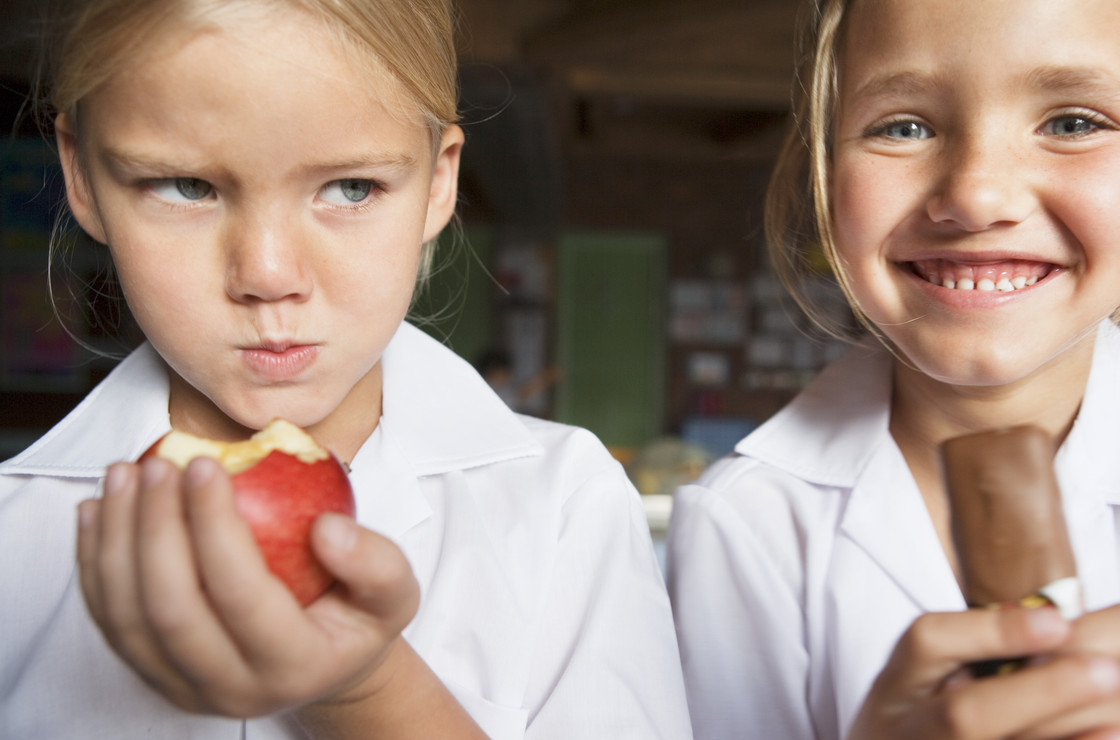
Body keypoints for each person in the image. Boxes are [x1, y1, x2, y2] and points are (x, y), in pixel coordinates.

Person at [0, 1, 692, 739]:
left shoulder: (564, 507)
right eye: (186, 186)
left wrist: (365, 689)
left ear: (436, 183)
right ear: (79, 174)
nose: (269, 274)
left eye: (351, 188)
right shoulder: (14, 538)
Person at [666, 0, 1120, 738]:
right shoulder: (740, 524)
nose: (977, 195)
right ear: (832, 192)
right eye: (904, 126)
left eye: (1074, 122)